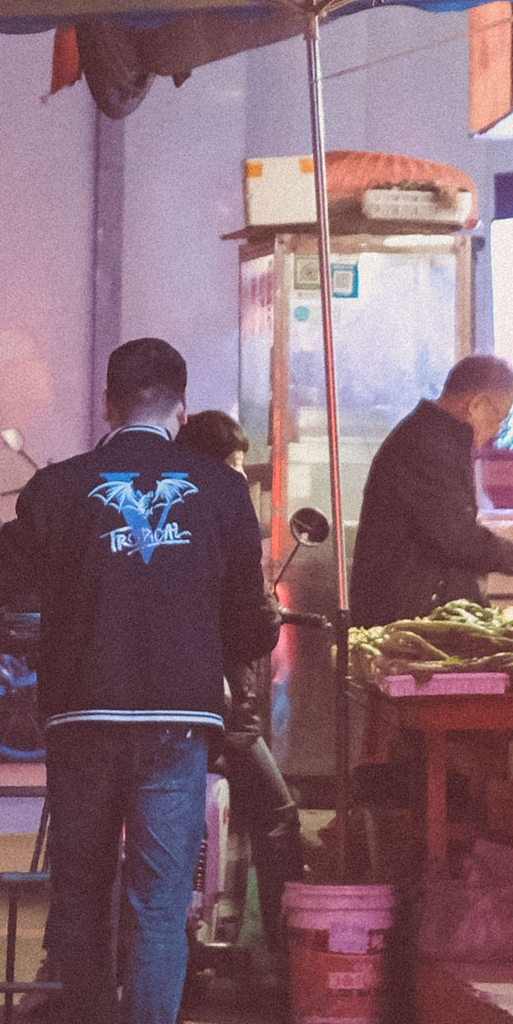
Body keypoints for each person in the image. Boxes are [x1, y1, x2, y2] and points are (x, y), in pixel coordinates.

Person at [0, 337, 279, 1024]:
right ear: (179, 405)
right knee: (160, 900)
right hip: (179, 719)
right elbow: (251, 620)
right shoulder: (218, 487)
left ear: (107, 405)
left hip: (82, 716)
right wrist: (225, 652)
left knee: (80, 893)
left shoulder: (56, 487)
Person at [174, 410, 303, 963]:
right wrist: (271, 615)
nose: (238, 472)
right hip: (223, 714)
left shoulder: (165, 513)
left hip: (161, 706)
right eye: (233, 461)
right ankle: (287, 951)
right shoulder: (228, 517)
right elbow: (250, 625)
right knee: (277, 816)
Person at [347, 353, 513, 628]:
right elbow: (455, 536)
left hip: (418, 612)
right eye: (499, 418)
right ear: (478, 404)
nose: (495, 432)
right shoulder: (426, 445)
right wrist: (511, 554)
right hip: (405, 619)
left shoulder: (435, 437)